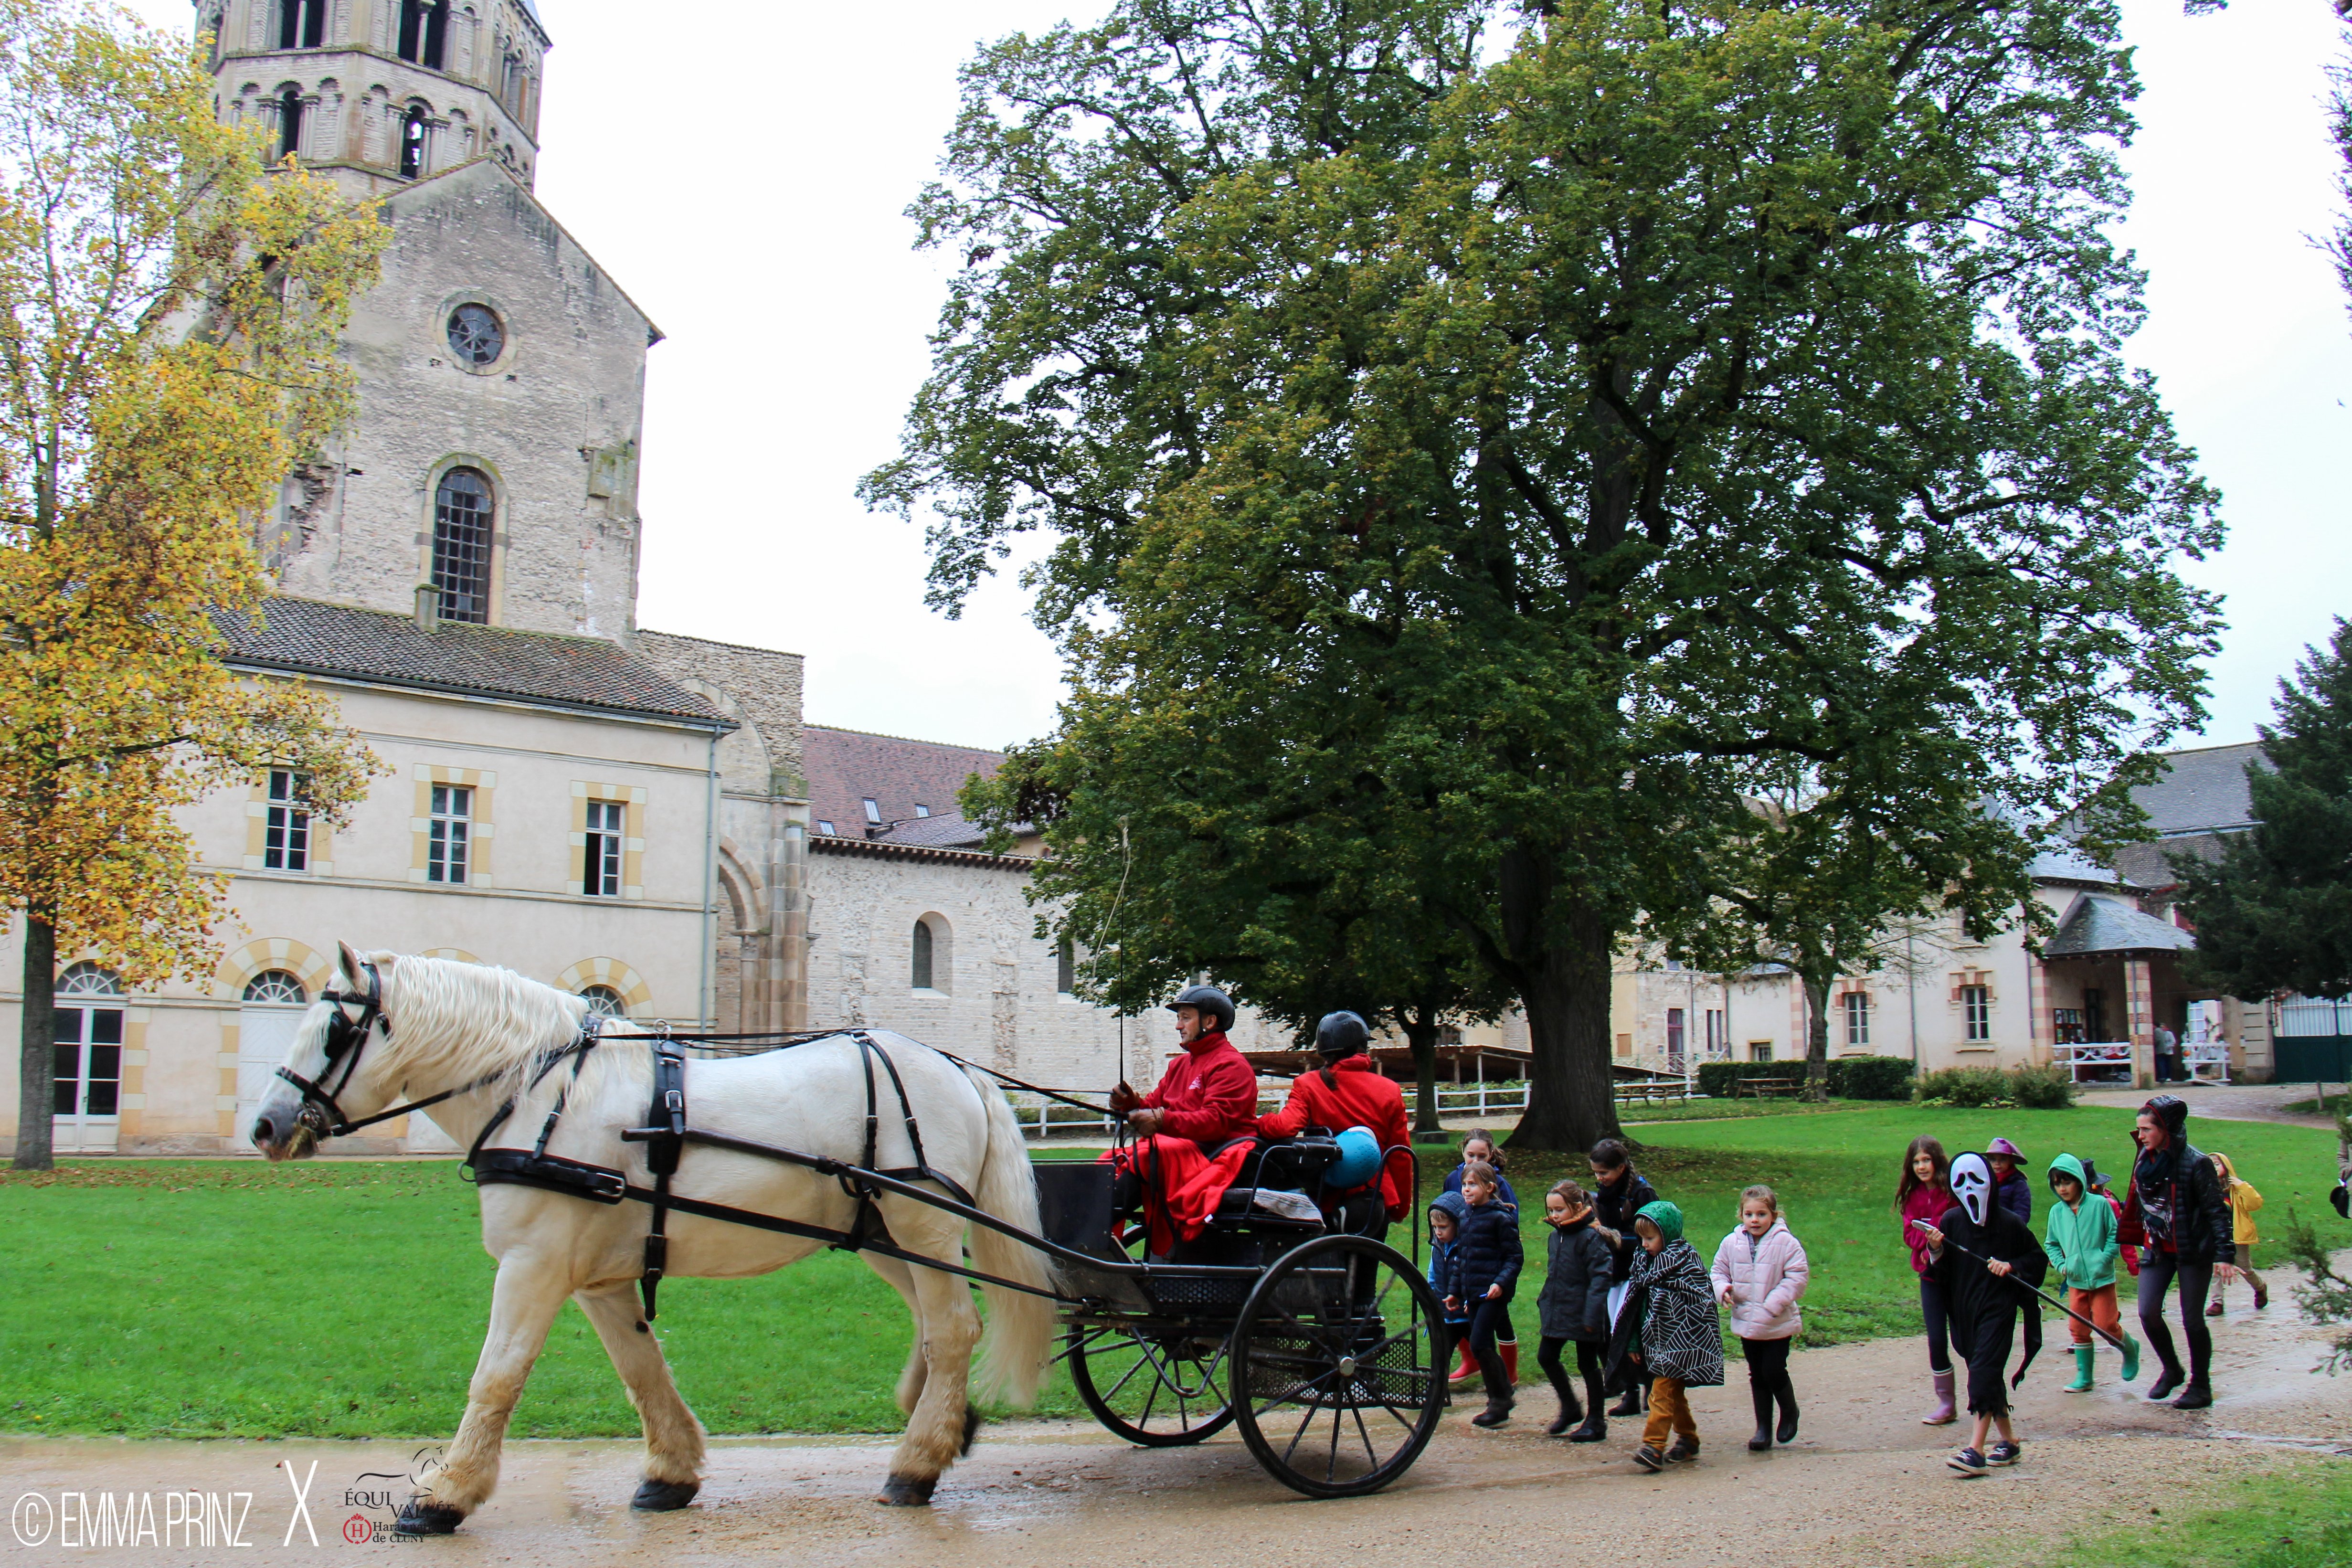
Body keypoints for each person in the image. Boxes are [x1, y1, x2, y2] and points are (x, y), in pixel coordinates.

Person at [1918, 1152, 2049, 1476]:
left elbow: (2036, 1258)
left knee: (1982, 1373)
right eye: (1960, 1182)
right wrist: (1935, 1249)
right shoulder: (1950, 1222)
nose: (1969, 1188)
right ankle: (2010, 1442)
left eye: (1976, 1180)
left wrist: (2012, 1266)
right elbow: (1942, 1271)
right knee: (1987, 1373)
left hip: (1998, 1309)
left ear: (1989, 1182)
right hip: (1966, 1311)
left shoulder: (2009, 1224)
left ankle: (1975, 1449)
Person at [1103, 985, 1261, 1253]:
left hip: (1215, 1154)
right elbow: (1152, 1105)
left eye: (1185, 1017)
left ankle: (1089, 1224)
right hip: (1181, 1150)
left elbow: (1215, 1122)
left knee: (1147, 1156)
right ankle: (1091, 1227)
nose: (1178, 1025)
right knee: (1113, 1157)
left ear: (1210, 1022)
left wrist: (1162, 1119)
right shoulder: (1179, 1065)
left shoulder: (1231, 1065)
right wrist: (1130, 1104)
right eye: (1179, 1018)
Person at [2119, 1094, 2237, 1408]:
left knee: (2192, 1320)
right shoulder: (2145, 1158)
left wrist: (2225, 1255)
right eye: (2139, 1129)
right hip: (2157, 1247)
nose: (2140, 1136)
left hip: (2191, 1250)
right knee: (2147, 1311)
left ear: (2166, 1130)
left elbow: (2217, 1211)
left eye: (2146, 1129)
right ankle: (2172, 1370)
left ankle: (2201, 1386)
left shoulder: (2196, 1163)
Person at [1255, 1010, 1413, 1232]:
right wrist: (1401, 1206)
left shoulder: (1308, 1084)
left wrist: (1259, 1123)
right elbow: (1400, 1155)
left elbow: (1285, 1127)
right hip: (1374, 1195)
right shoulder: (1389, 1090)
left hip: (1325, 1195)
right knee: (1366, 1266)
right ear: (1362, 1047)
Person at [1606, 1201, 1722, 1472]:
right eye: (1641, 1239)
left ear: (1667, 1234)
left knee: (1660, 1393)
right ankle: (1688, 1438)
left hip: (1684, 1343)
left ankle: (1653, 1446)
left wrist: (1684, 1336)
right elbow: (1635, 1307)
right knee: (1673, 1393)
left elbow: (1700, 1305)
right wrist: (1634, 1342)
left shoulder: (1686, 1263)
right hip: (1655, 1342)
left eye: (1650, 1238)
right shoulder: (1644, 1265)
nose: (1644, 1244)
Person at [1711, 1184, 1809, 1451]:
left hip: (1777, 1322)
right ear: (1741, 1215)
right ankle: (1763, 1428)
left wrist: (1774, 1303)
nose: (1755, 1220)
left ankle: (1789, 1410)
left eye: (1762, 1214)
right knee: (1757, 1374)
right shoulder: (1732, 1243)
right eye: (1749, 1214)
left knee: (1774, 1370)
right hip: (1747, 1321)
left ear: (1774, 1216)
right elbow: (1718, 1271)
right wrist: (1723, 1289)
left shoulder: (1786, 1242)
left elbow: (1798, 1277)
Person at [2043, 1153, 2140, 1393]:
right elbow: (2051, 1244)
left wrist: (2104, 1258)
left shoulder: (2100, 1205)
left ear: (2080, 1181)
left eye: (2067, 1182)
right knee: (2078, 1327)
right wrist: (2061, 1265)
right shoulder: (2057, 1212)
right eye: (2057, 1184)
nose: (2062, 1188)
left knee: (2106, 1325)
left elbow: (2114, 1235)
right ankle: (2085, 1377)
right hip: (2075, 1280)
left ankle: (2129, 1348)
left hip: (2102, 1279)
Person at [1442, 1159, 1523, 1428]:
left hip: (1494, 1293)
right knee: (1483, 1344)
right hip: (1474, 1293)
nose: (1466, 1189)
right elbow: (1461, 1259)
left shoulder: (1501, 1218)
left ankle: (1498, 1402)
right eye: (1464, 1184)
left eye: (1473, 1185)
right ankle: (1504, 1394)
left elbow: (1514, 1257)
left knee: (1479, 1344)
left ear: (1489, 1188)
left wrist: (1500, 1283)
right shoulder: (1465, 1217)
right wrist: (1455, 1292)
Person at [1536, 1179, 1615, 1441]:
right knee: (1546, 1356)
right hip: (1559, 1309)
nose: (1554, 1215)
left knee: (1587, 1363)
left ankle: (1596, 1421)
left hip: (1585, 1312)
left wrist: (1592, 1314)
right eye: (1551, 1210)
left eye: (1559, 1210)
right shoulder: (1555, 1236)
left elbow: (1601, 1276)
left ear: (1577, 1207)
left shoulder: (1590, 1237)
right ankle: (1570, 1407)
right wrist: (1546, 1301)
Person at [1589, 1137, 1661, 1417]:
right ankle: (1629, 1391)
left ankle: (1650, 1388)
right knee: (1615, 1334)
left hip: (1638, 1273)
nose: (1599, 1178)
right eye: (1596, 1173)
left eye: (1604, 1173)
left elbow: (1653, 1236)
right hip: (1613, 1273)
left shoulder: (1642, 1194)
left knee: (1635, 1332)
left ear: (1621, 1168)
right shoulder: (1603, 1194)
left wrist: (1618, 1240)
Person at [1897, 1135, 1959, 1425]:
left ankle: (1983, 1393)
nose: (1922, 1166)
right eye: (1917, 1162)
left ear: (1937, 1161)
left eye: (1926, 1160)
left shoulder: (1953, 1192)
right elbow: (1910, 1234)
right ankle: (1946, 1402)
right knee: (1936, 1339)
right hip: (1930, 1276)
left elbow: (1961, 1227)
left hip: (1959, 1277)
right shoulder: (1913, 1197)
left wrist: (1940, 1232)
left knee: (1964, 1340)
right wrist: (1928, 1238)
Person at [2206, 1153, 2269, 1314]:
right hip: (2215, 1236)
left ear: (2226, 1167)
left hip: (2237, 1236)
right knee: (2215, 1268)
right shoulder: (2206, 1188)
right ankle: (2217, 1302)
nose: (2214, 1168)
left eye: (2217, 1164)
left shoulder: (2235, 1189)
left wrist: (2243, 1186)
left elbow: (2255, 1204)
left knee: (2245, 1268)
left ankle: (2260, 1287)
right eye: (2210, 1165)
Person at [1428, 1193, 1470, 1406]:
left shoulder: (1467, 1247)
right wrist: (1429, 1296)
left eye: (1443, 1227)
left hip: (1466, 1312)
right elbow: (1432, 1275)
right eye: (1435, 1227)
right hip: (1445, 1313)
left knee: (1484, 1351)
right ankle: (1437, 1394)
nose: (1439, 1232)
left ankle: (1500, 1391)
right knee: (1441, 1355)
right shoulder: (1436, 1247)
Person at [1987, 1138, 2033, 1226]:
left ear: (2011, 1161)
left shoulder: (2018, 1184)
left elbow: (2022, 1212)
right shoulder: (1983, 1182)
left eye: (2003, 1159)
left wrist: (2013, 1230)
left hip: (2009, 1230)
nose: (1997, 1163)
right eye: (1993, 1160)